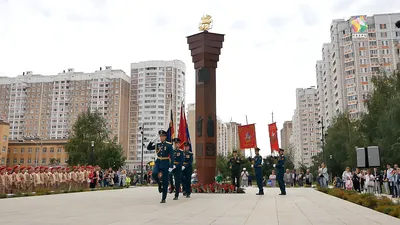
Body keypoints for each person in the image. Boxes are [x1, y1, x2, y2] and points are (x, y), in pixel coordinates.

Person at [147, 130, 175, 203]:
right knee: (154, 174)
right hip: (158, 162)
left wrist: (171, 166)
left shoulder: (169, 145)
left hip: (165, 163)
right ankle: (159, 183)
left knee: (165, 181)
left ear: (165, 137)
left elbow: (172, 155)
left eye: (163, 136)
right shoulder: (157, 145)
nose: (161, 138)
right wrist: (151, 141)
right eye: (160, 136)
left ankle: (163, 198)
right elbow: (148, 148)